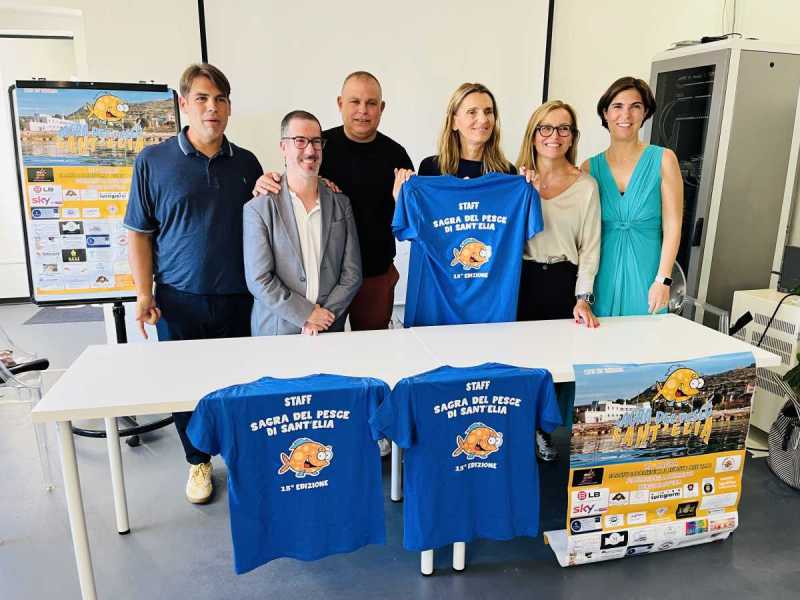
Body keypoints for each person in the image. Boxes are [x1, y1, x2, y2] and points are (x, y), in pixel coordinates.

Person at [124, 63, 263, 504]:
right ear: (184, 104)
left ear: (229, 107)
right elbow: (139, 233)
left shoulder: (247, 163)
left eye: (220, 99)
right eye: (202, 98)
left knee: (239, 385)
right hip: (178, 299)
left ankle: (240, 458)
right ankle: (197, 461)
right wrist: (143, 292)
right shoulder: (153, 161)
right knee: (184, 386)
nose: (212, 108)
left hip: (240, 298)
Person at [254, 71, 413, 331]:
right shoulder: (318, 147)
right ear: (340, 103)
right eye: (355, 102)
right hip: (322, 280)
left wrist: (403, 200)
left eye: (371, 103)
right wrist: (266, 181)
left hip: (374, 273)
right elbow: (291, 181)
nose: (363, 110)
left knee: (374, 346)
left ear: (382, 108)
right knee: (324, 347)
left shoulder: (396, 156)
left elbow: (409, 219)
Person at [515, 100, 602, 461]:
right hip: (520, 280)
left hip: (561, 280)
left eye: (564, 128)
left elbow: (590, 249)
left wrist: (583, 297)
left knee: (553, 367)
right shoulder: (514, 180)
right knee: (517, 362)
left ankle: (543, 430)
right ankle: (515, 431)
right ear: (534, 134)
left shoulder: (586, 187)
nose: (555, 135)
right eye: (546, 128)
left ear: (573, 136)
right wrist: (523, 192)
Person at [243, 110, 362, 337]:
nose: (310, 150)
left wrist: (322, 318)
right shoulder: (259, 207)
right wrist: (306, 314)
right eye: (300, 141)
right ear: (283, 147)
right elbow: (259, 279)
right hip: (277, 332)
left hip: (329, 328)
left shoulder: (341, 203)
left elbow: (352, 274)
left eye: (316, 142)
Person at [581, 76, 683, 317]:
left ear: (645, 112)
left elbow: (673, 225)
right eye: (617, 106)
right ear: (605, 113)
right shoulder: (588, 168)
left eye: (635, 106)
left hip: (648, 277)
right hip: (600, 277)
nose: (625, 115)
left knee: (646, 337)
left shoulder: (664, 159)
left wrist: (663, 280)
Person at [400, 82, 517, 182]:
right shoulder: (430, 169)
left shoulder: (507, 172)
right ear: (453, 122)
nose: (483, 120)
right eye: (472, 112)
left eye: (488, 112)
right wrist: (400, 195)